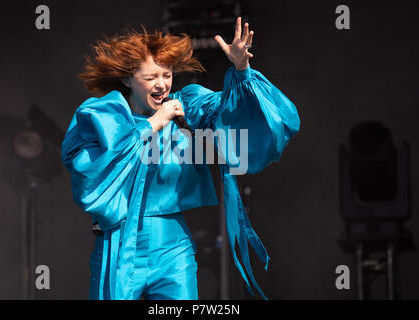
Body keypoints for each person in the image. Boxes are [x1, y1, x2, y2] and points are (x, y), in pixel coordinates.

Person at [61, 17, 300, 300]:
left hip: (172, 247)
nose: (162, 84)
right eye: (151, 77)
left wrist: (241, 69)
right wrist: (152, 124)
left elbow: (233, 114)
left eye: (167, 75)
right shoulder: (102, 116)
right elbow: (91, 177)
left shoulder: (183, 105)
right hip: (119, 245)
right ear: (127, 79)